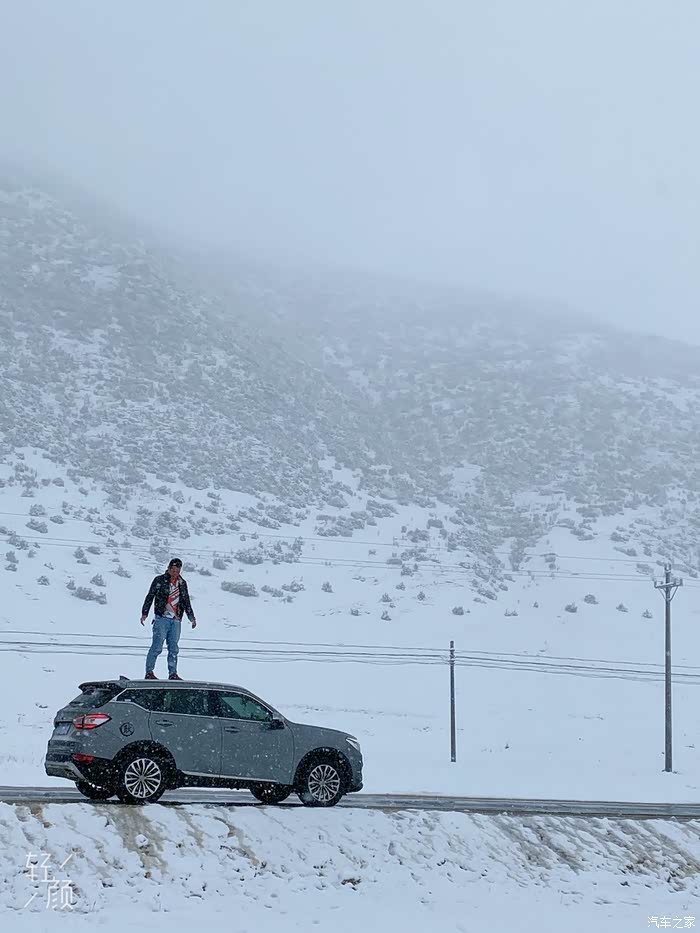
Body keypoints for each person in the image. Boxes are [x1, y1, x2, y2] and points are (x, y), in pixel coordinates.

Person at [140, 558, 197, 680]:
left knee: (173, 648)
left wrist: (191, 617)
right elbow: (150, 596)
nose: (175, 573)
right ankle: (149, 672)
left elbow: (186, 601)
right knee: (157, 646)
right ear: (169, 569)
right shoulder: (159, 580)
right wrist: (145, 612)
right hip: (162, 618)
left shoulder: (182, 583)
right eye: (173, 570)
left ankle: (173, 673)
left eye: (178, 571)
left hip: (176, 620)